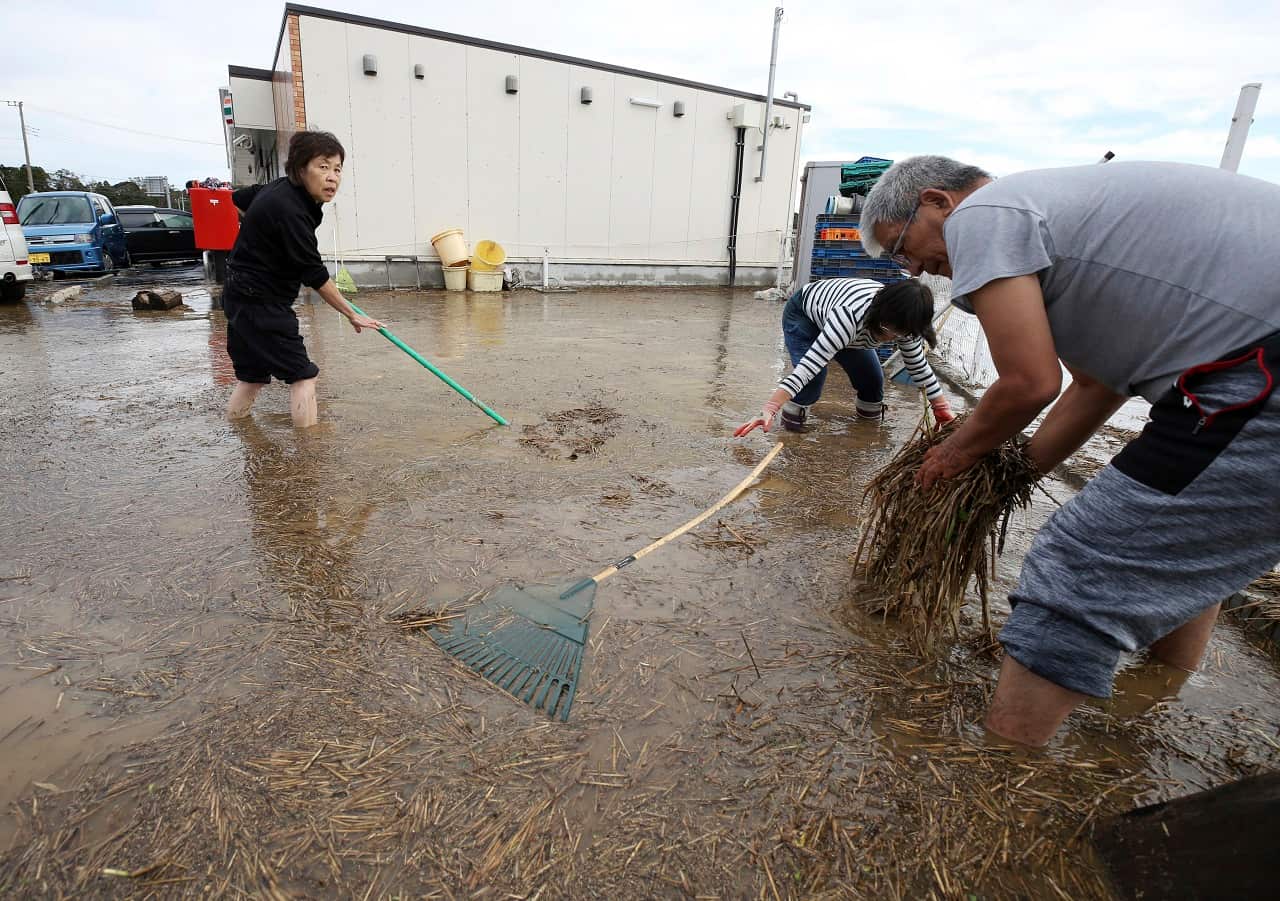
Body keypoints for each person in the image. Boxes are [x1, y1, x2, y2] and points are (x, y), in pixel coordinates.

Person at [860, 155, 1280, 746]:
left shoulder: (985, 215)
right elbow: (1093, 387)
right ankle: (1156, 703)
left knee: (1081, 562)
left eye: (901, 248)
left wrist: (953, 456)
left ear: (938, 201)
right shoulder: (1061, 221)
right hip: (1235, 368)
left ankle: (1000, 771)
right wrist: (1009, 476)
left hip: (1257, 373)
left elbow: (1029, 384)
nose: (915, 270)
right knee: (1170, 552)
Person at [222, 130, 384, 428]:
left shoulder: (277, 190)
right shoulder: (291, 211)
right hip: (261, 301)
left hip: (236, 293)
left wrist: (261, 238)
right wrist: (352, 314)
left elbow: (237, 199)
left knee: (252, 377)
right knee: (304, 376)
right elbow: (315, 275)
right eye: (323, 167)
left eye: (337, 169)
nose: (332, 177)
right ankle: (309, 463)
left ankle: (240, 433)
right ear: (300, 169)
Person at [734, 277, 953, 436]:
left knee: (873, 381)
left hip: (855, 329)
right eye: (887, 330)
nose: (889, 338)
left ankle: (866, 434)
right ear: (880, 315)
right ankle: (791, 434)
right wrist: (770, 408)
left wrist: (941, 409)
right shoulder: (851, 316)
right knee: (815, 378)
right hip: (805, 316)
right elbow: (809, 366)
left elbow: (918, 367)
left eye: (898, 334)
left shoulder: (909, 324)